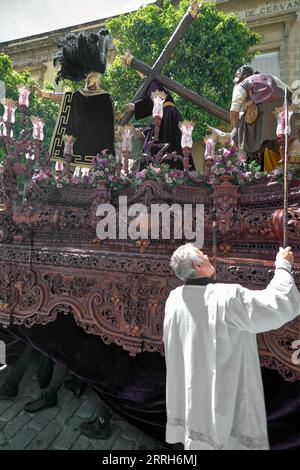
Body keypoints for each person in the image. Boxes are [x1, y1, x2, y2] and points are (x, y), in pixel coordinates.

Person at [163, 243, 300, 450]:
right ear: (197, 264)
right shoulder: (227, 297)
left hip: (194, 380)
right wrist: (282, 266)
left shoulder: (174, 298)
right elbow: (276, 304)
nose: (207, 255)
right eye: (202, 254)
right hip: (225, 388)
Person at [33, 30, 115, 168]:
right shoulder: (77, 96)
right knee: (70, 162)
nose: (94, 83)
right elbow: (64, 97)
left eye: (96, 80)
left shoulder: (106, 97)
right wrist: (44, 94)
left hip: (99, 144)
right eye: (91, 79)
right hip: (79, 142)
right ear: (86, 80)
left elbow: (115, 113)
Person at [230, 65, 300, 167]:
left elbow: (234, 110)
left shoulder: (242, 84)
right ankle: (294, 150)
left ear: (243, 75)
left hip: (264, 111)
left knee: (241, 127)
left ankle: (243, 159)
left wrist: (234, 130)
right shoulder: (270, 76)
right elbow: (289, 91)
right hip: (283, 107)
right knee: (289, 137)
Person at [126, 79, 196, 171]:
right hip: (169, 115)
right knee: (171, 143)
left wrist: (135, 107)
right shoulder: (161, 88)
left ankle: (155, 171)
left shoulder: (153, 82)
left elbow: (155, 98)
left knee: (155, 146)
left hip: (166, 114)